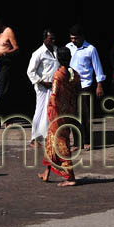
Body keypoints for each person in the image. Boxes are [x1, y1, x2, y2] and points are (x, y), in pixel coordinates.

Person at [38, 46, 81, 186]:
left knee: (60, 143)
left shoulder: (58, 75)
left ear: (58, 58)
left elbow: (54, 95)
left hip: (58, 114)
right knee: (51, 142)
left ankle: (70, 177)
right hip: (69, 112)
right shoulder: (74, 74)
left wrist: (51, 111)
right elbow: (77, 93)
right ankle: (47, 172)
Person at [67, 25, 104, 149]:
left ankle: (87, 140)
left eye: (76, 38)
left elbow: (97, 67)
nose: (73, 41)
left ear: (82, 37)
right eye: (72, 38)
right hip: (72, 85)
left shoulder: (90, 49)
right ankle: (77, 142)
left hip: (85, 85)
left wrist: (99, 85)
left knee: (85, 114)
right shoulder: (68, 47)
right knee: (73, 115)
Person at [27, 29, 58, 144]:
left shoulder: (56, 50)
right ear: (45, 39)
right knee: (39, 111)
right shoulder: (38, 53)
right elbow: (30, 71)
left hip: (54, 86)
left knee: (49, 112)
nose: (53, 41)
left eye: (54, 38)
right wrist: (42, 82)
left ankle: (46, 136)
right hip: (42, 87)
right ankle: (34, 138)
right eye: (51, 39)